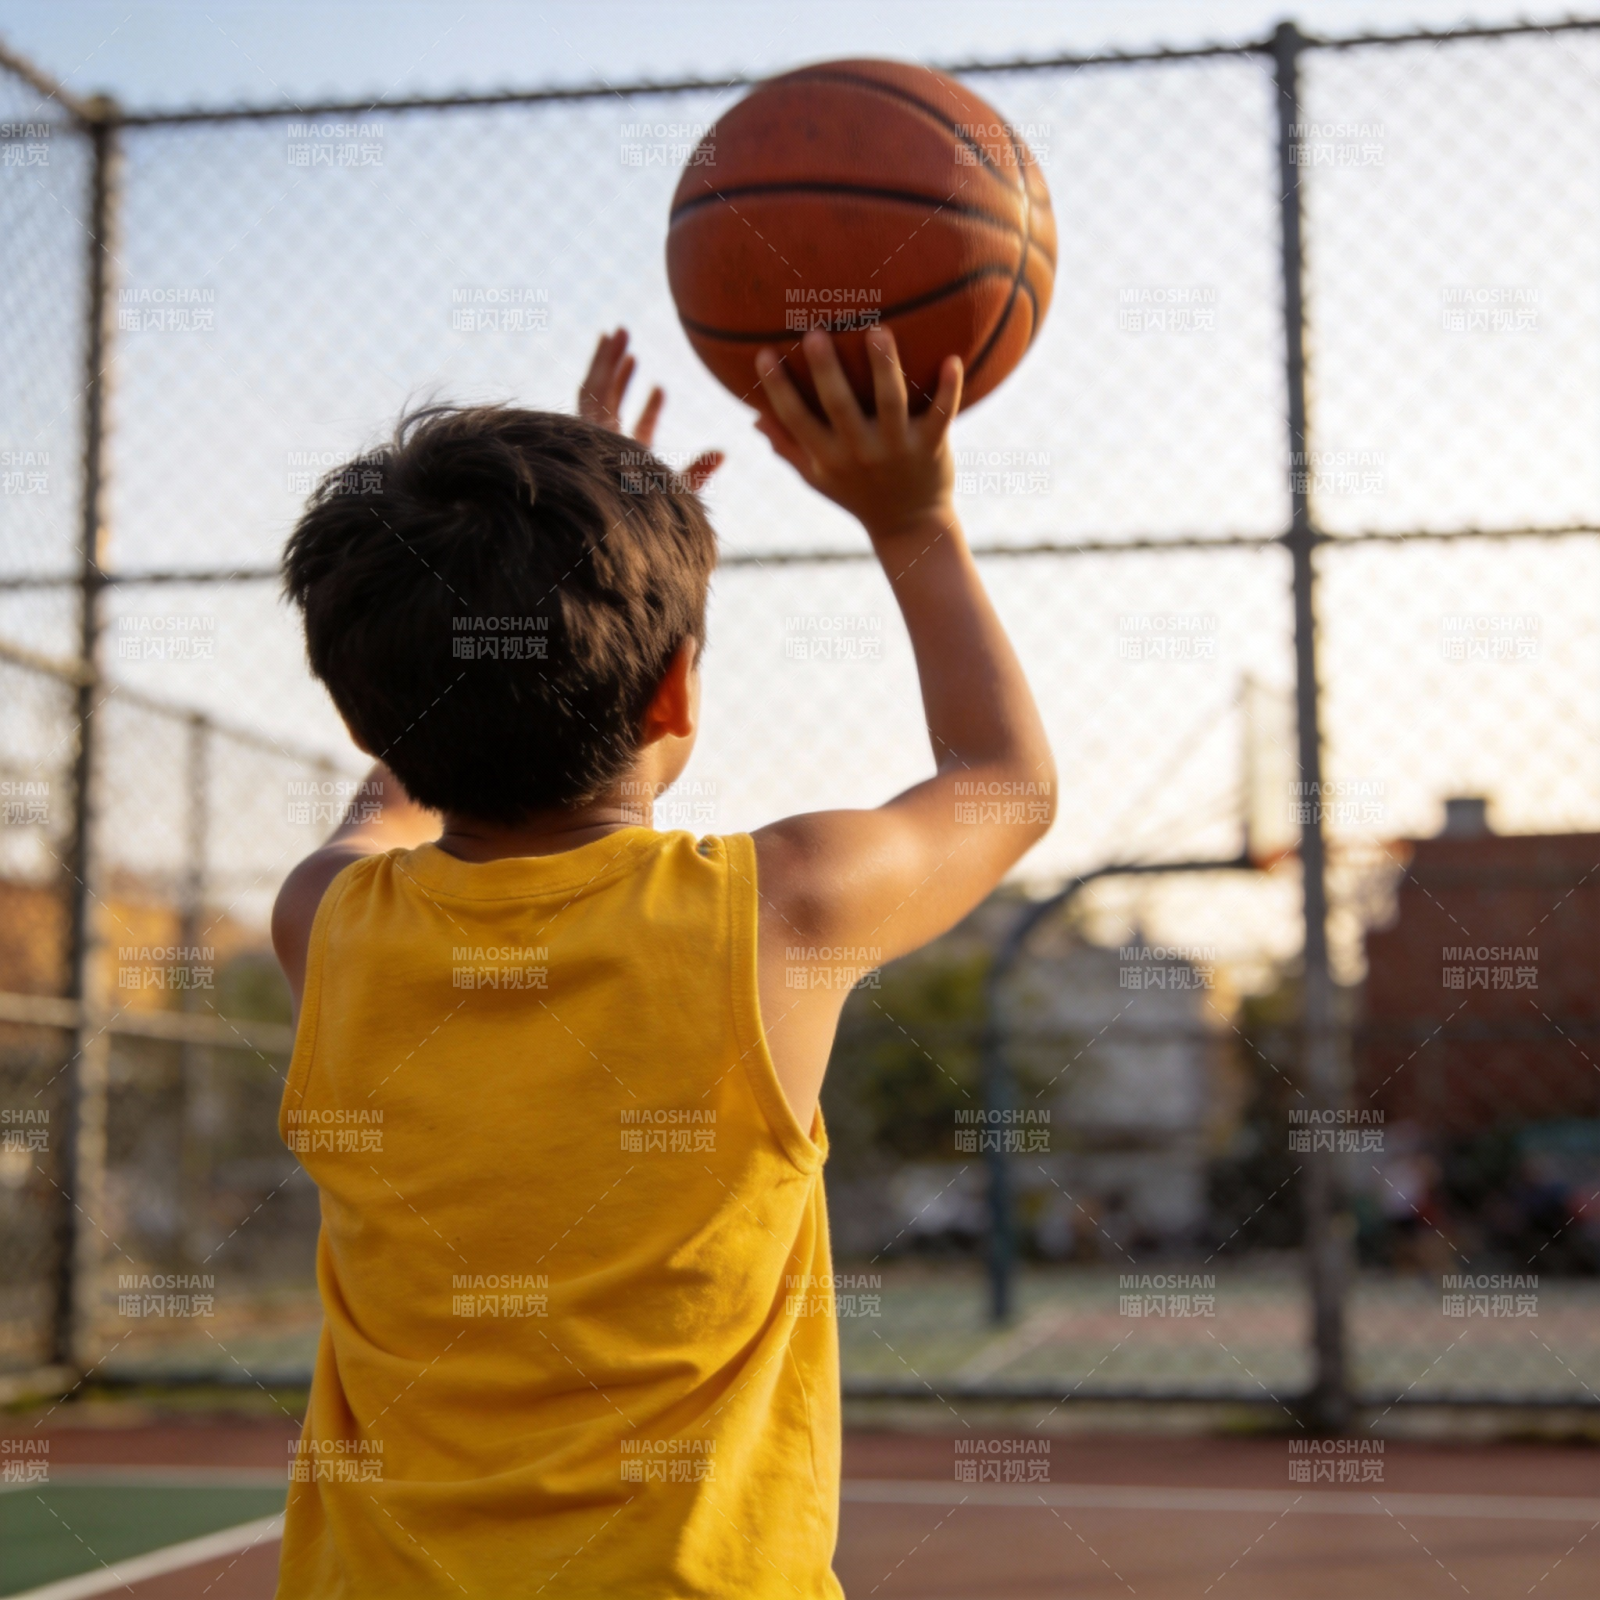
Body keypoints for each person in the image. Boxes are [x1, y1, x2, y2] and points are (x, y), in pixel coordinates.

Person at [270, 324, 1055, 1596]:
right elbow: (1003, 783)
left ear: (364, 709)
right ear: (677, 692)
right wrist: (915, 518)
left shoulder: (327, 925)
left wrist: (562, 582)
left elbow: (400, 784)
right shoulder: (776, 912)